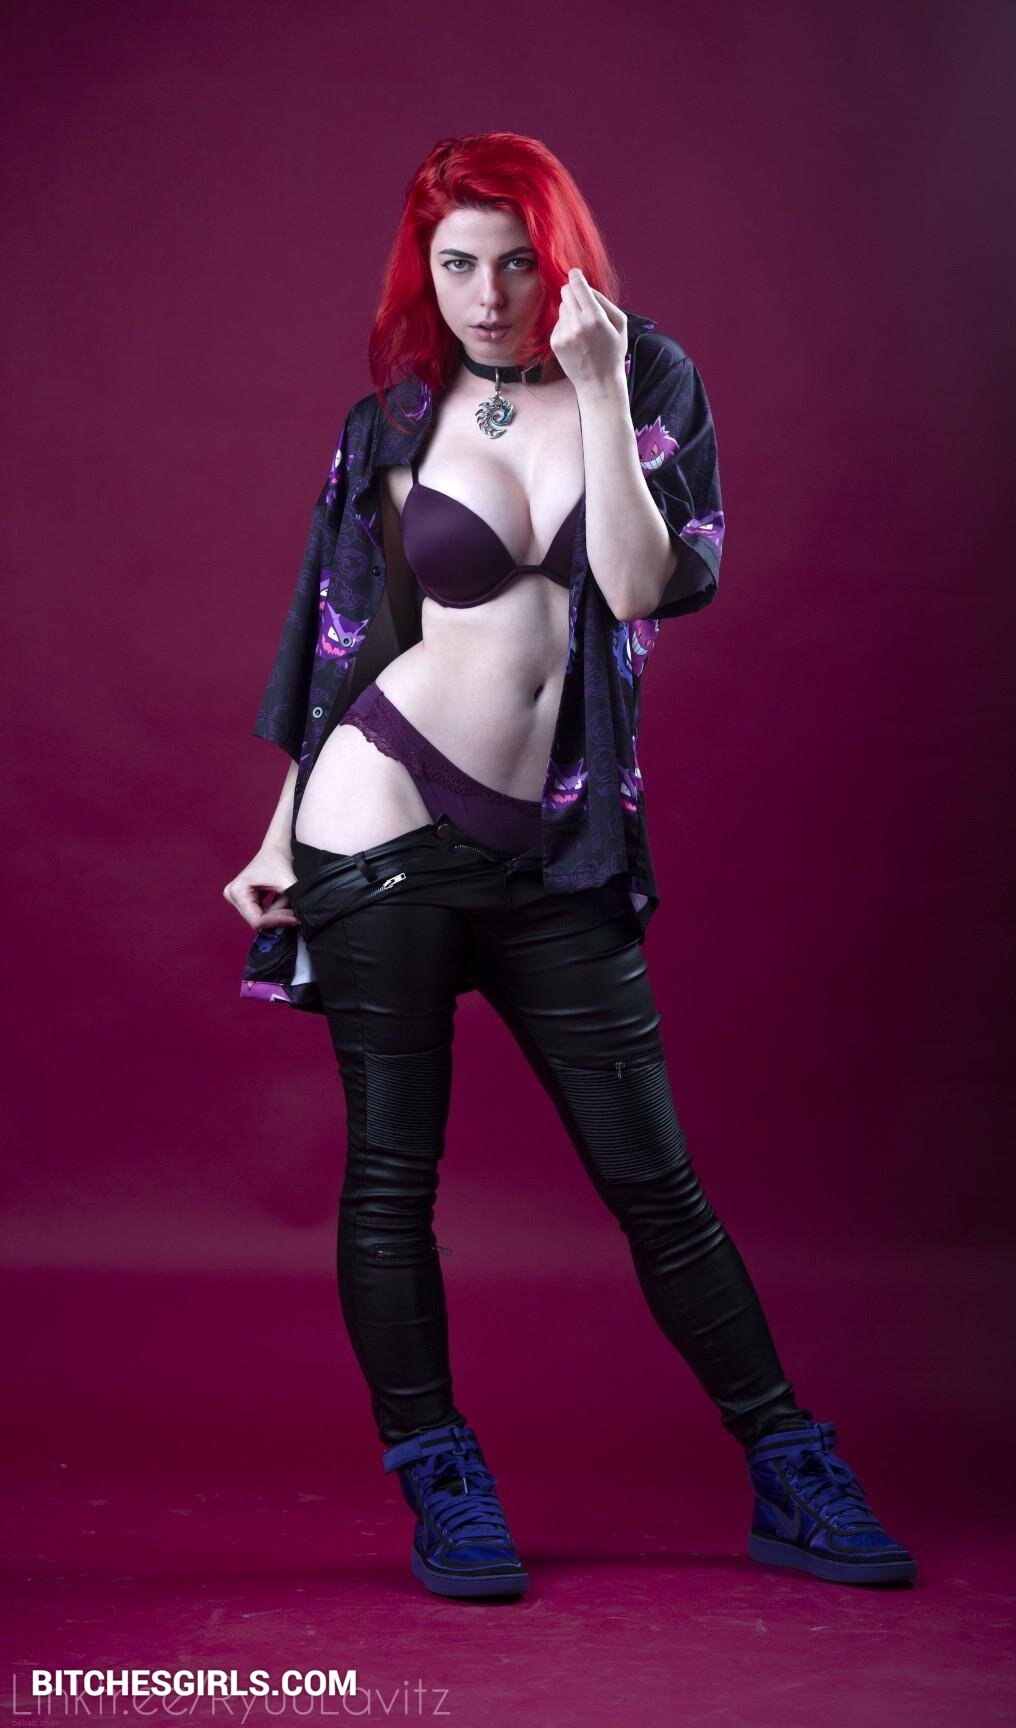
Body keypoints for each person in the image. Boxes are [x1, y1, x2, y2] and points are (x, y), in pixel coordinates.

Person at [223, 133, 917, 1600]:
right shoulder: (394, 419)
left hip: (557, 845)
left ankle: (789, 1465)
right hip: (378, 817)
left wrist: (597, 386)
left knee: (654, 1180)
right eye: (455, 265)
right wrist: (280, 833)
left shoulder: (647, 377)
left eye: (515, 262)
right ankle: (442, 1481)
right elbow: (348, 639)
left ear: (563, 257)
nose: (486, 297)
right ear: (424, 272)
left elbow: (645, 581)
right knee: (392, 1177)